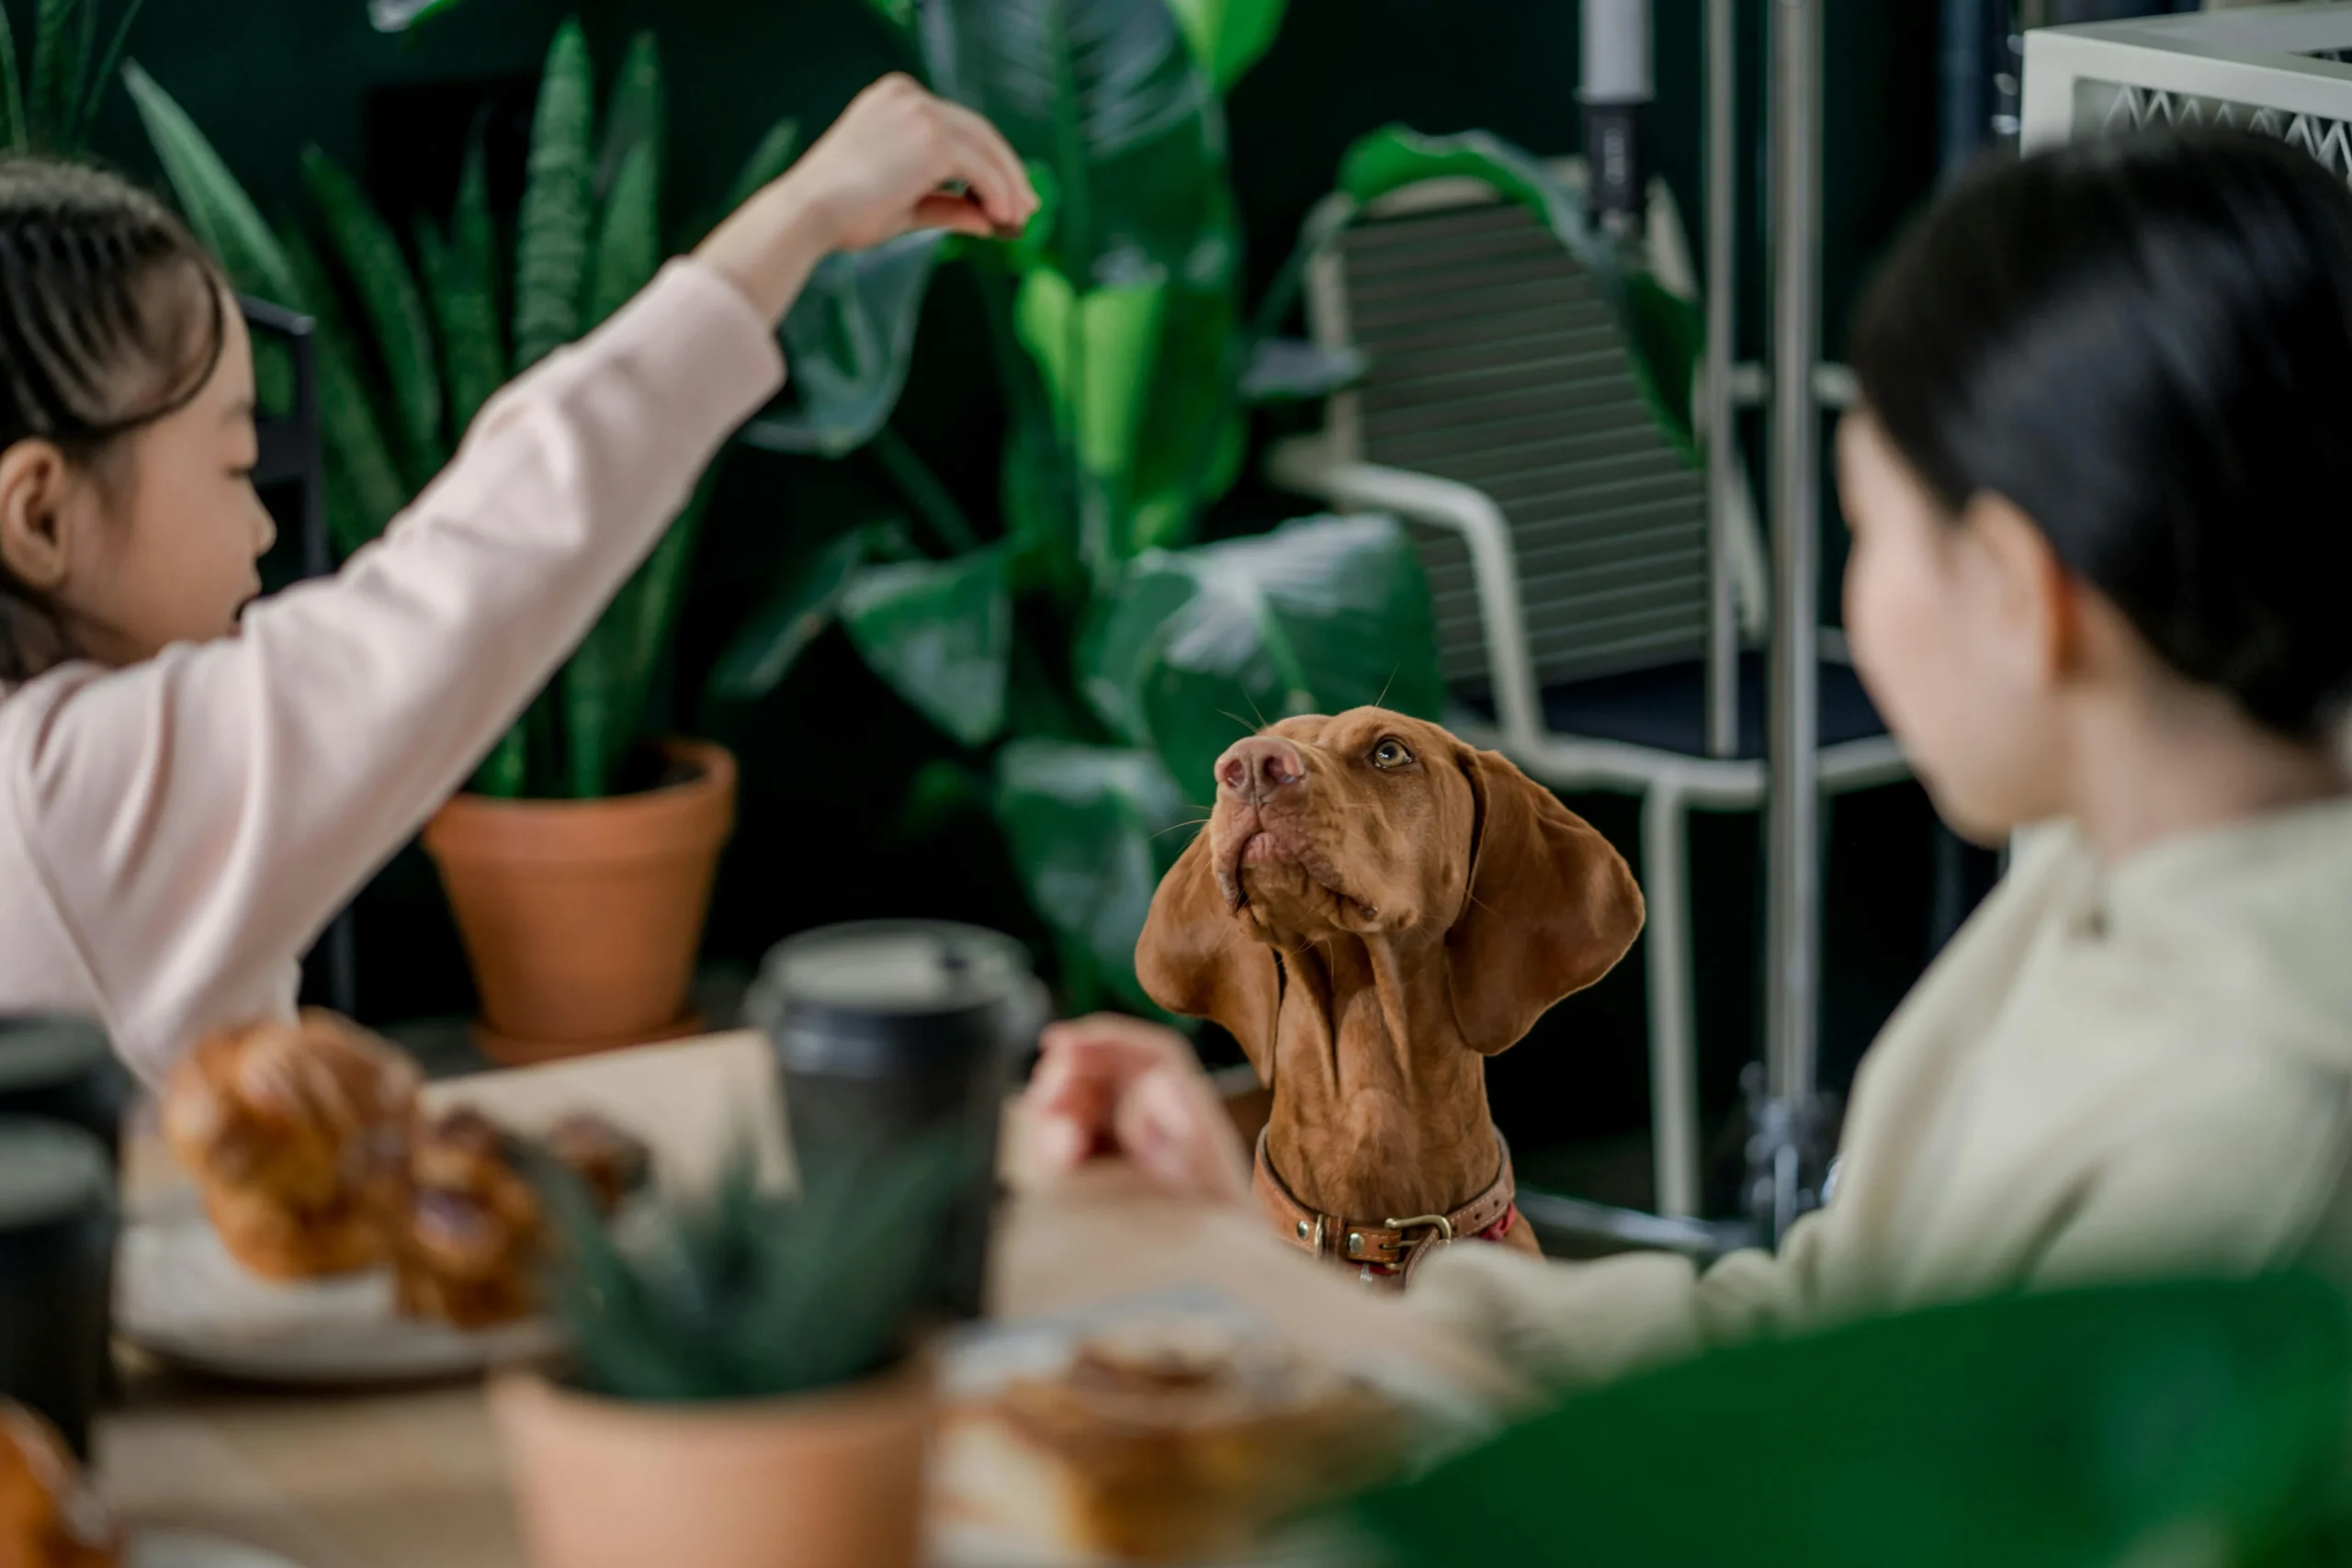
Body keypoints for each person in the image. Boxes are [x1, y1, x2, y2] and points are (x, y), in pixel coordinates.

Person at [1023, 128, 2352, 1388]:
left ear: (2018, 589)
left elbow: (1881, 1485)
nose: (1855, 592)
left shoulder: (2240, 1129)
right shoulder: (2099, 892)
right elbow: (1824, 1335)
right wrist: (1282, 1268)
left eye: (1865, 528)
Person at [0, 75, 1036, 1082]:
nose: (264, 522)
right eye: (234, 463)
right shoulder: (68, 805)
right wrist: (801, 215)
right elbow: (490, 558)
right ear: (40, 515)